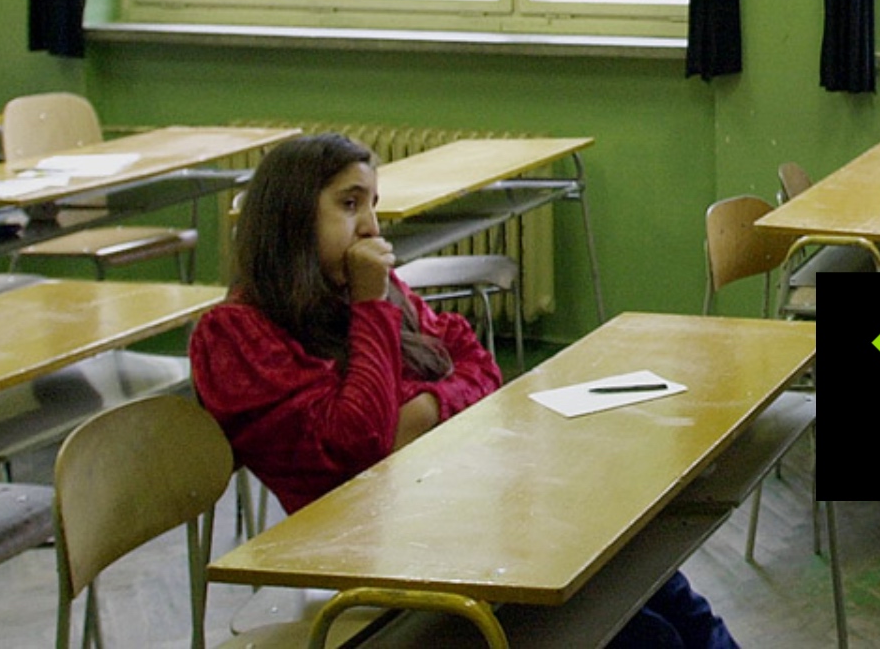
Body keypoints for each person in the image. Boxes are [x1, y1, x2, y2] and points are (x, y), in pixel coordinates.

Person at [190, 132, 738, 649]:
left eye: (373, 205)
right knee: (649, 636)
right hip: (379, 555)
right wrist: (371, 310)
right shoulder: (234, 334)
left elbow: (479, 367)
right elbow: (359, 444)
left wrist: (423, 410)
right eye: (350, 204)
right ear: (289, 216)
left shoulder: (370, 291)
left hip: (458, 514)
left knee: (664, 587)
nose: (371, 228)